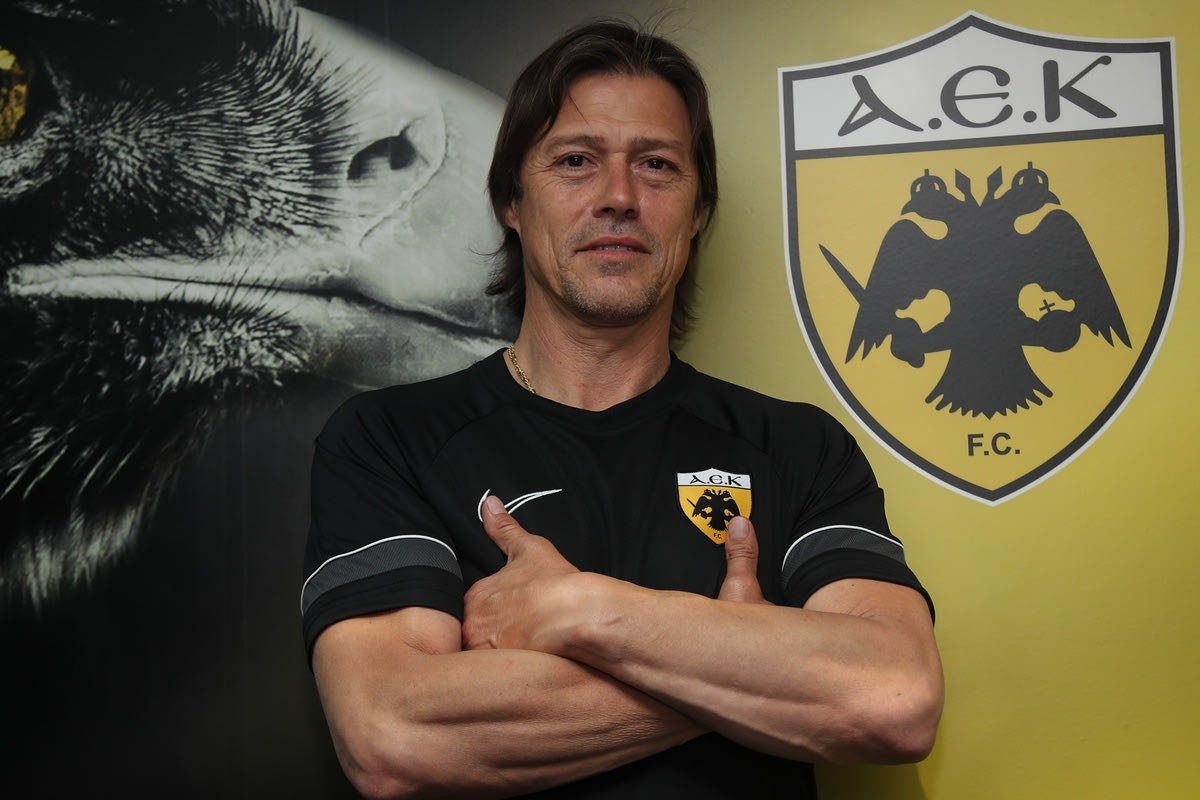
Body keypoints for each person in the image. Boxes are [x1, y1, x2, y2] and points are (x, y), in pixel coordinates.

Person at [301, 19, 943, 800]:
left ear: (697, 211)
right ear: (511, 200)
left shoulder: (798, 447)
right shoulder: (389, 441)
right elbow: (394, 738)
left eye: (658, 165)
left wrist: (581, 611)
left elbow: (895, 699)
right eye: (575, 160)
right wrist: (744, 651)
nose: (619, 197)